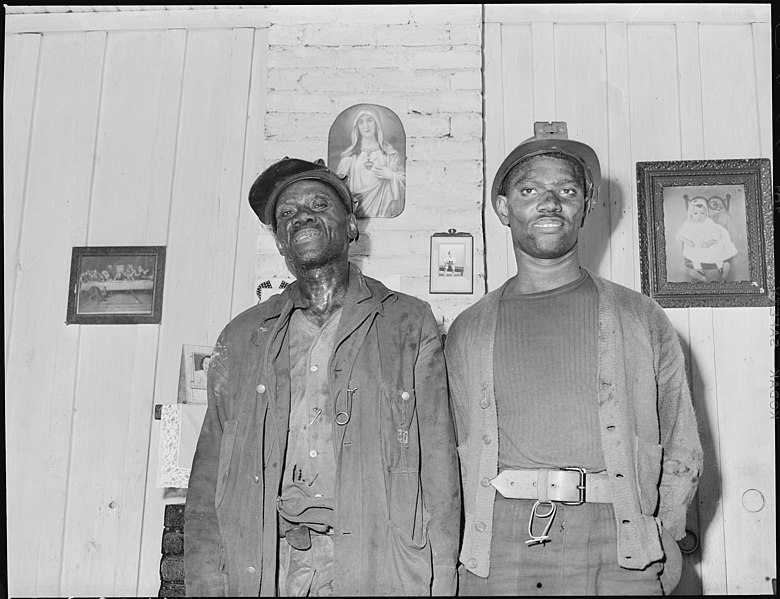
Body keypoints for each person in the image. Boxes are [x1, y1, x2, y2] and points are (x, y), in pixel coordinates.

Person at [446, 122, 703, 596]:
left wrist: (664, 529)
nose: (549, 202)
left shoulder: (639, 316)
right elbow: (449, 451)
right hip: (498, 546)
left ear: (585, 207)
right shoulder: (467, 329)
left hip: (622, 541)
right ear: (504, 209)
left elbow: (681, 439)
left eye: (566, 189)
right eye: (530, 189)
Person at [184, 157, 459, 596]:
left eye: (318, 204)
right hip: (270, 565)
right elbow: (208, 476)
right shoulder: (241, 337)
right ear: (279, 242)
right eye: (287, 214)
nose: (303, 215)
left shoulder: (408, 322)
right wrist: (205, 582)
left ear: (351, 226)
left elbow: (440, 466)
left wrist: (442, 576)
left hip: (378, 560)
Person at [336, 106, 406, 218]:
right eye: (361, 122)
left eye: (370, 120)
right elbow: (338, 187)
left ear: (377, 124)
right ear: (357, 127)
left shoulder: (390, 155)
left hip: (384, 210)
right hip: (357, 211)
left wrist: (392, 176)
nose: (366, 126)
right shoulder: (349, 158)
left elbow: (404, 180)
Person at [676, 196, 737, 282]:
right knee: (694, 257)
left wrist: (709, 243)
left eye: (702, 213)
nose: (699, 216)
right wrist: (688, 241)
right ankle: (700, 273)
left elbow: (716, 235)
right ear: (691, 214)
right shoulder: (688, 224)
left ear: (706, 213)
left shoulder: (709, 223)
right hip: (694, 246)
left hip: (709, 244)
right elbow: (680, 235)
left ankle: (722, 268)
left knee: (716, 252)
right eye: (696, 213)